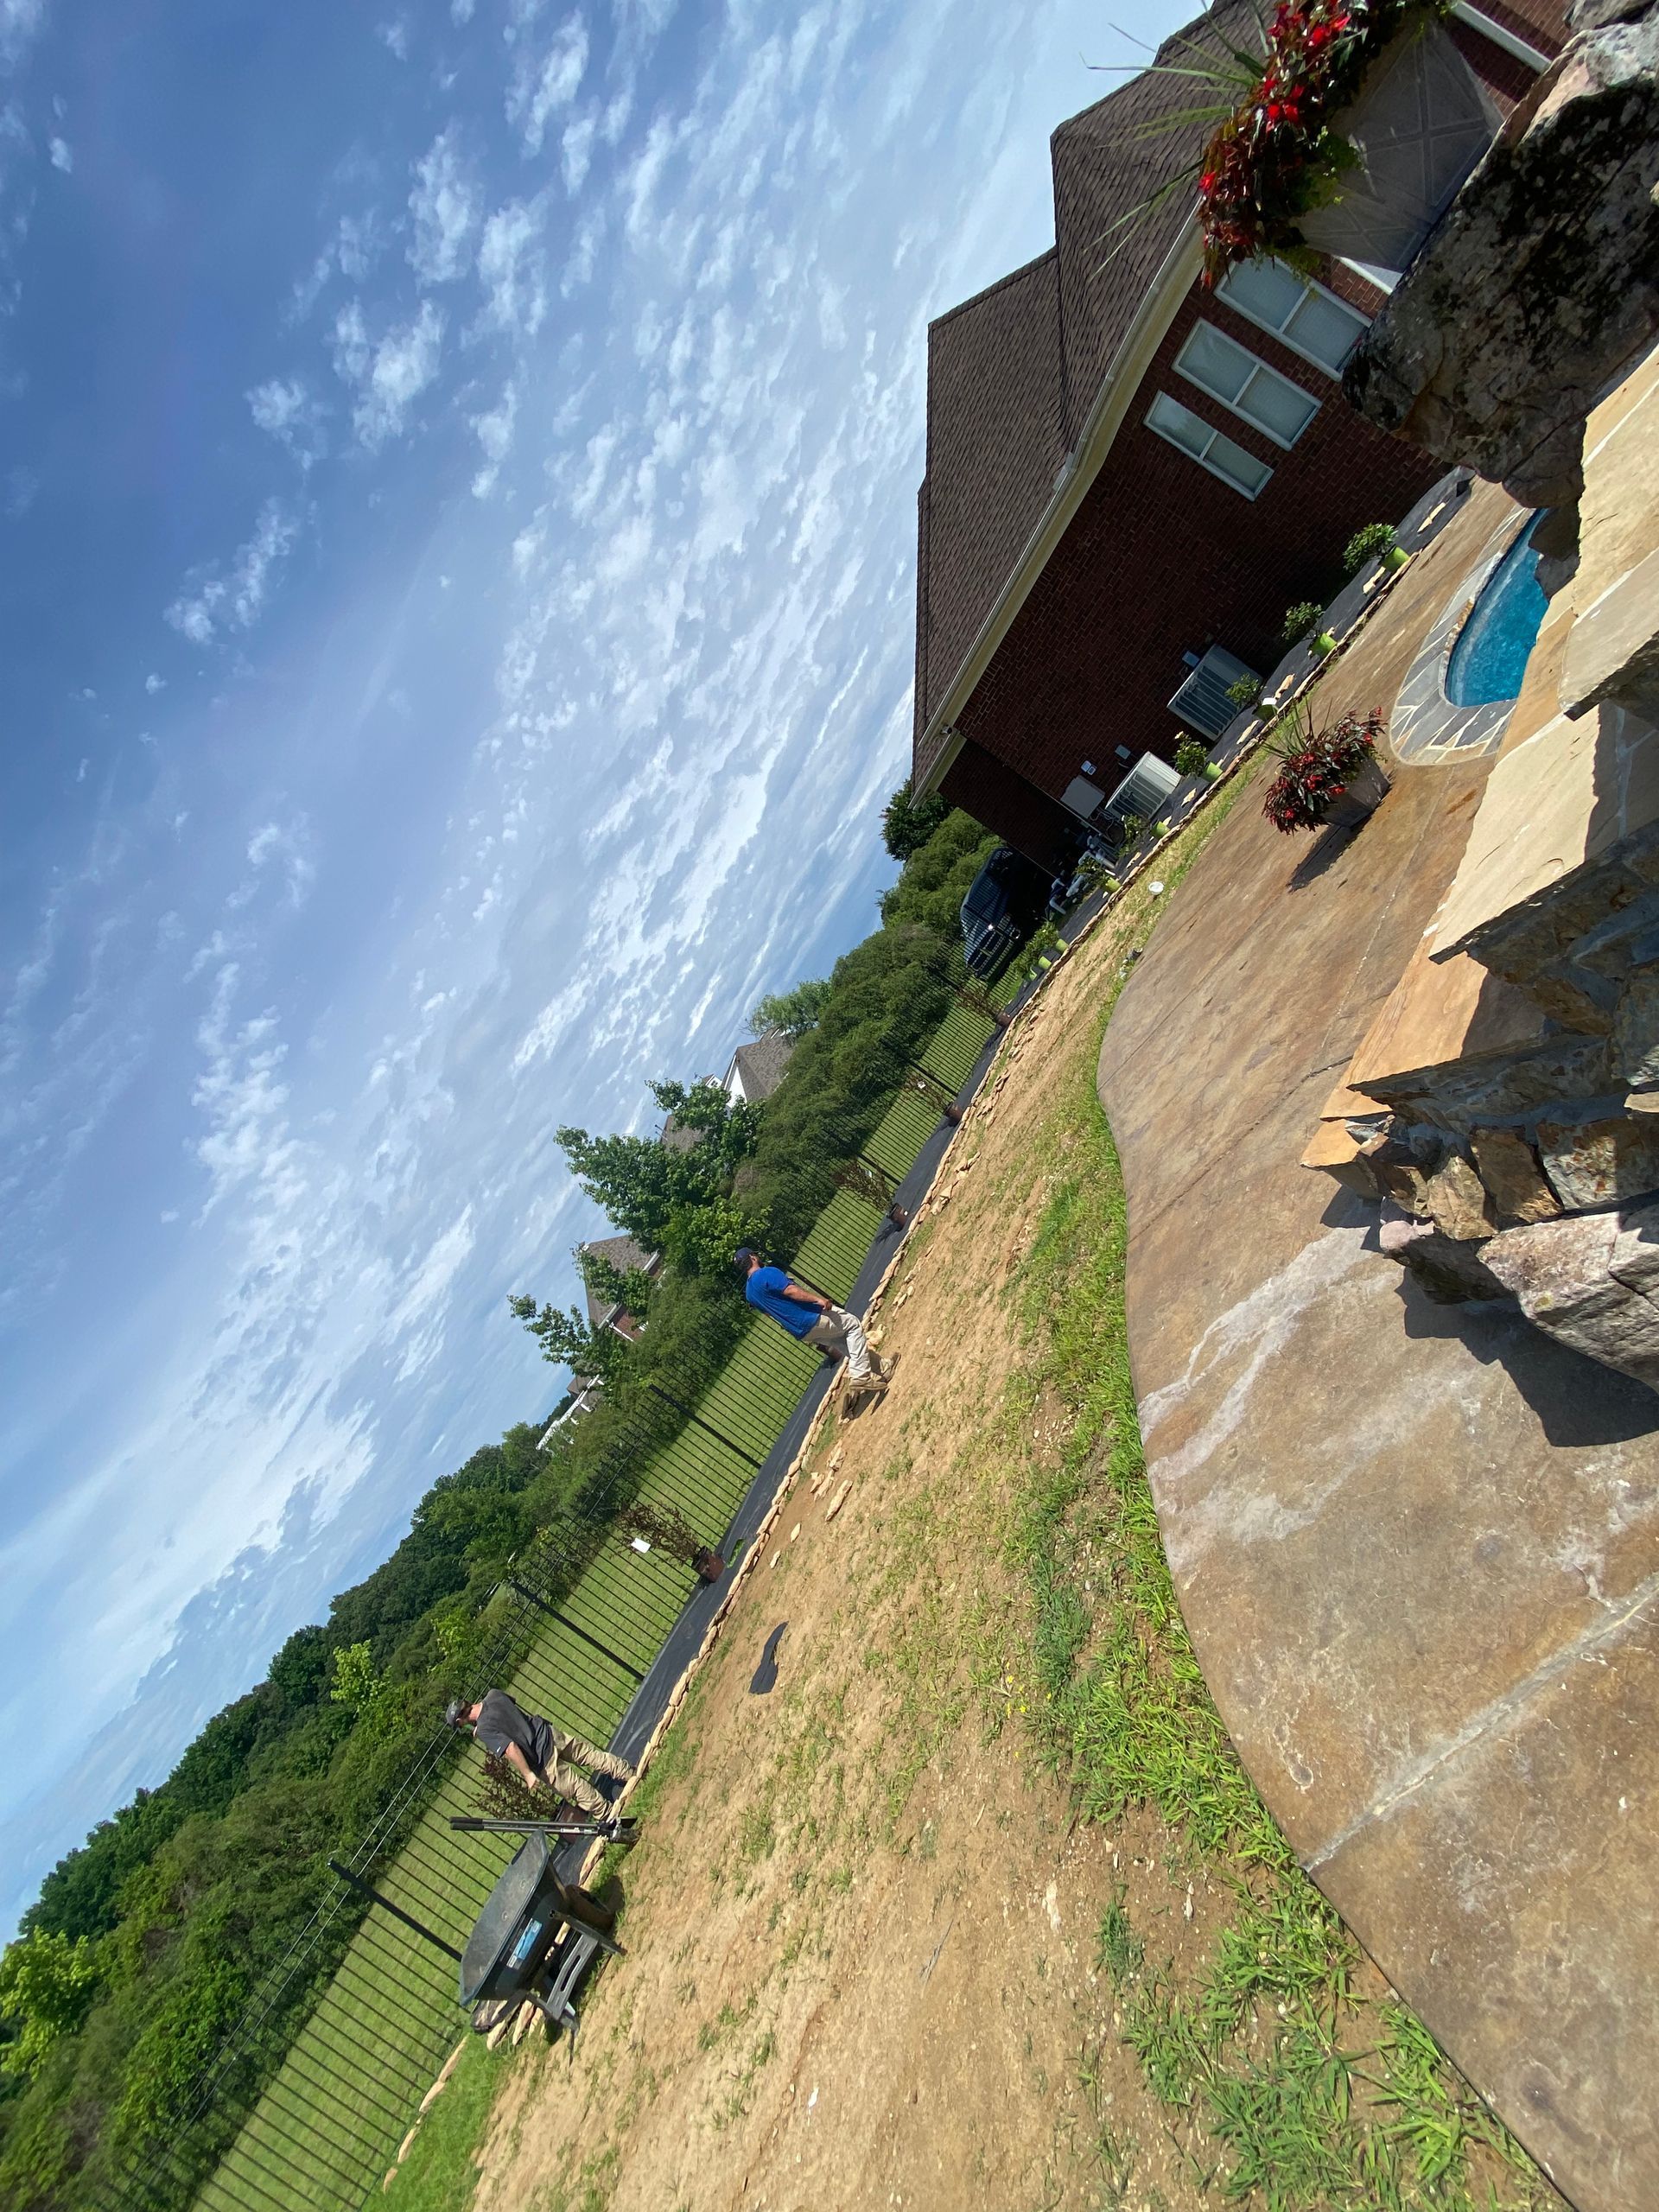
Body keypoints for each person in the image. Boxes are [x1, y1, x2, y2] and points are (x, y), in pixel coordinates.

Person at [445, 1688, 636, 1820]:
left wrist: (527, 1774)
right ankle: (629, 1773)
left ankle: (611, 1816)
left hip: (540, 1758)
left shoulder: (485, 1730)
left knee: (575, 1787)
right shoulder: (494, 1694)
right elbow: (507, 1712)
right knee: (589, 1755)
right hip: (548, 1733)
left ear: (461, 1719)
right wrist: (483, 1726)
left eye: (459, 1724)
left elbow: (511, 1747)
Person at [734, 1248, 893, 1398]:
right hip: (811, 1316)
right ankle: (861, 1375)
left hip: (800, 1330)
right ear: (753, 1257)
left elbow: (769, 1314)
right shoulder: (767, 1273)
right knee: (852, 1325)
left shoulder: (750, 1293)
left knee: (844, 1342)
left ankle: (884, 1368)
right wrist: (819, 1300)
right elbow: (791, 1291)